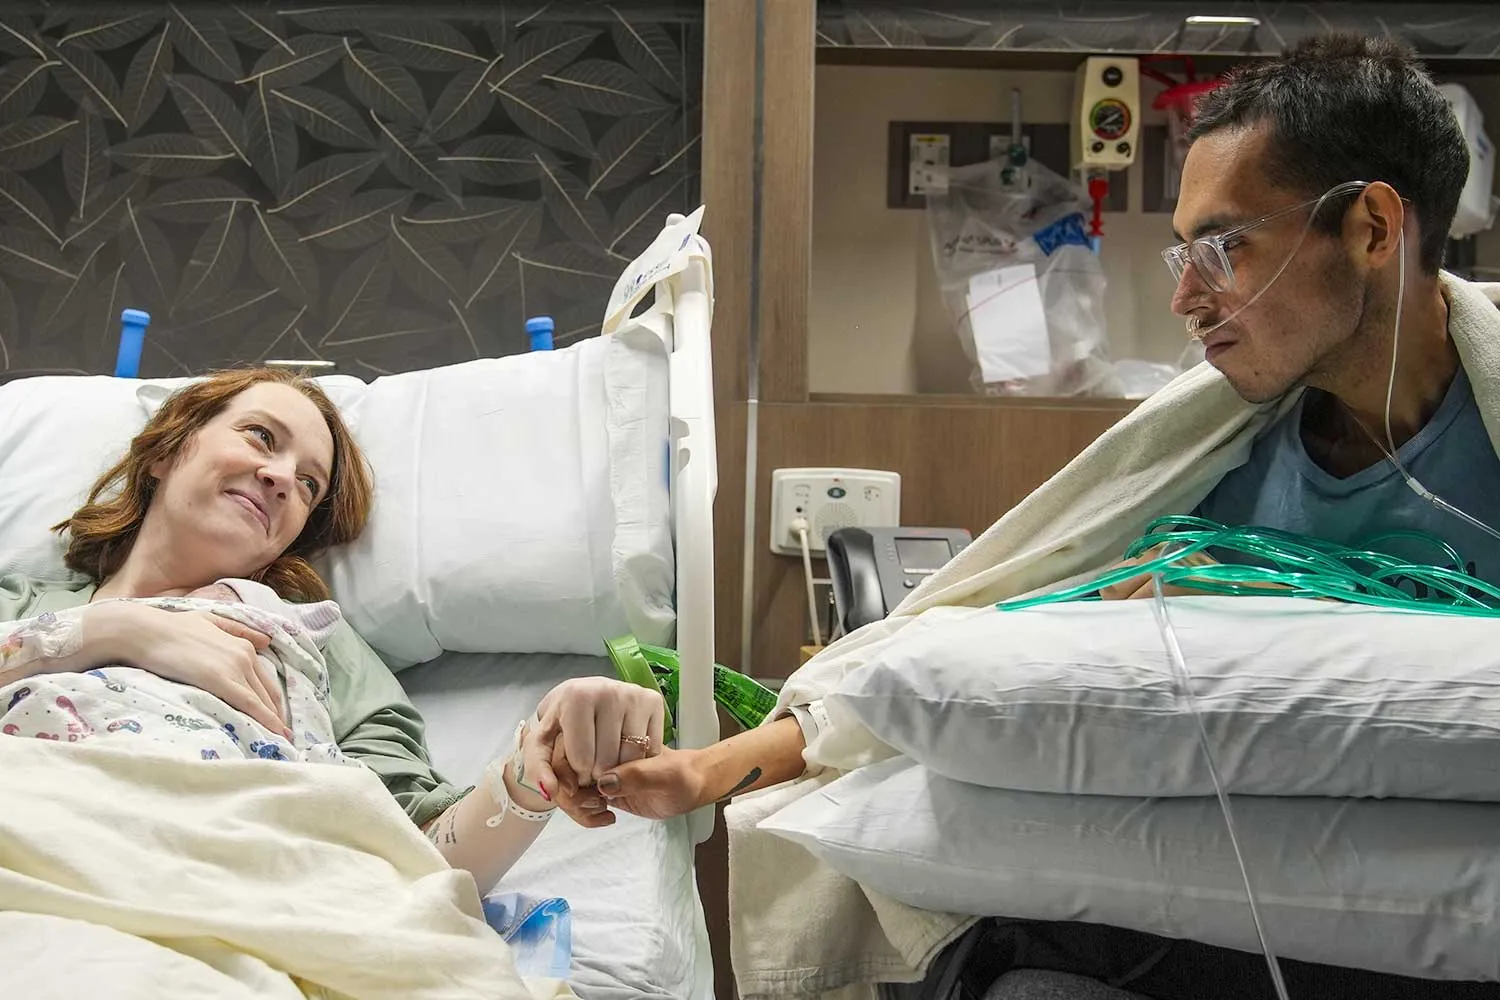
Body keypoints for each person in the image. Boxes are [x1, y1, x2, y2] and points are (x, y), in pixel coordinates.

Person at [545, 31, 1500, 999]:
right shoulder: (1208, 463)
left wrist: (1278, 613)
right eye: (1184, 253)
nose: (1184, 296)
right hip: (1207, 924)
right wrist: (706, 771)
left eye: (1223, 248)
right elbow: (979, 651)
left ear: (1373, 229)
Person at [0, 366, 665, 895]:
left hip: (207, 888)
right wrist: (116, 630)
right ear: (167, 450)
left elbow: (420, 859)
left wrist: (530, 770)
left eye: (308, 484)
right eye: (261, 437)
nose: (280, 477)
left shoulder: (310, 644)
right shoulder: (23, 603)